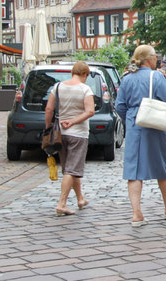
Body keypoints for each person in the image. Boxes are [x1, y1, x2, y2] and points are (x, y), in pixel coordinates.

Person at [115, 44, 166, 226]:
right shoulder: (157, 76)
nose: (157, 58)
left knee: (133, 169)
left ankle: (137, 214)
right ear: (149, 59)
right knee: (161, 165)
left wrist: (131, 117)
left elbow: (119, 105)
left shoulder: (127, 78)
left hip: (135, 123)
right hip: (156, 122)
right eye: (155, 55)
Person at [44, 61, 95, 216]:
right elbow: (90, 111)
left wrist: (48, 129)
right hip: (78, 133)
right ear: (85, 74)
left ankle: (80, 199)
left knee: (68, 168)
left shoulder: (58, 87)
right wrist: (73, 121)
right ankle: (62, 203)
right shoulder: (85, 89)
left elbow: (49, 109)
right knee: (72, 169)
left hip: (60, 134)